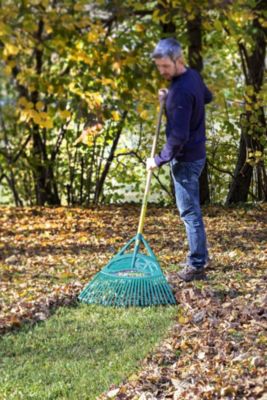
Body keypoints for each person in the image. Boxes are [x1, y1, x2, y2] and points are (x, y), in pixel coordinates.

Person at [146, 37, 213, 282]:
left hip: (185, 159)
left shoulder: (180, 92)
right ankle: (202, 256)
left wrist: (158, 160)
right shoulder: (191, 77)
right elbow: (207, 97)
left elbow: (178, 137)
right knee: (193, 209)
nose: (162, 71)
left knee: (189, 213)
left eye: (165, 66)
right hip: (198, 154)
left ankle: (196, 265)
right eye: (159, 67)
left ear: (178, 60)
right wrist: (169, 96)